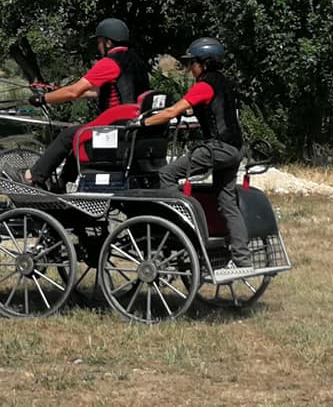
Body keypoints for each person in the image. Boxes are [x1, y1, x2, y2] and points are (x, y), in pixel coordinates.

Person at [139, 36, 252, 276]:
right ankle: (242, 260)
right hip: (235, 149)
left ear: (203, 62)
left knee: (167, 174)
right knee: (227, 202)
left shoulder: (204, 85)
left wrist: (142, 122)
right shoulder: (223, 82)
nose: (190, 68)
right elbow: (207, 109)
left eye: (192, 63)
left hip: (217, 149)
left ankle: (183, 230)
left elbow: (172, 111)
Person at [24, 17, 150, 188]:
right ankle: (62, 184)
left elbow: (73, 91)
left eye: (99, 42)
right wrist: (60, 92)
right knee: (80, 136)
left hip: (117, 130)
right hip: (133, 129)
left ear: (107, 42)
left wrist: (43, 98)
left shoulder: (109, 63)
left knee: (68, 135)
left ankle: (35, 177)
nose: (98, 47)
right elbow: (96, 91)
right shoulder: (137, 61)